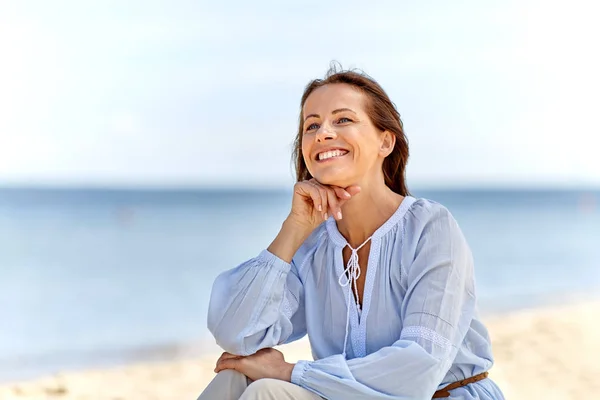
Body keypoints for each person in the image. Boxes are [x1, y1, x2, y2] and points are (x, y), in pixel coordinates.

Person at [197, 66, 505, 400]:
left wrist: (289, 372)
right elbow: (236, 333)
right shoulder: (313, 247)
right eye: (311, 125)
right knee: (234, 378)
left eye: (342, 120)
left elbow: (419, 368)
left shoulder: (429, 228)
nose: (323, 133)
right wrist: (294, 229)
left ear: (385, 142)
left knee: (268, 391)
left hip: (442, 396)